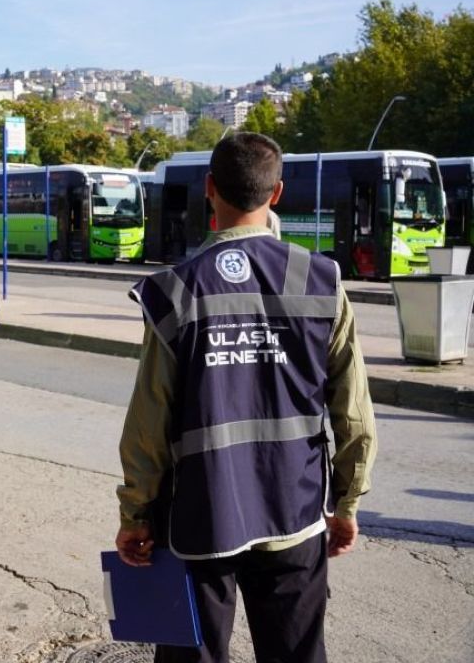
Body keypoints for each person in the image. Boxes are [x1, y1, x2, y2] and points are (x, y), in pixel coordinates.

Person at [115, 133, 377, 663]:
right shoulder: (321, 281)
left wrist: (136, 513)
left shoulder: (175, 289)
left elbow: (149, 417)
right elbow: (353, 409)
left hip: (200, 516)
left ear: (209, 189)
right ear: (276, 194)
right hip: (295, 510)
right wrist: (346, 502)